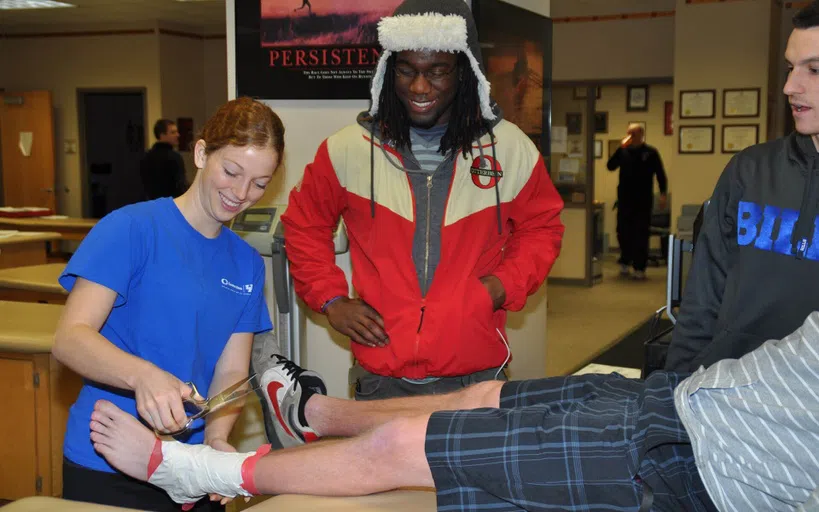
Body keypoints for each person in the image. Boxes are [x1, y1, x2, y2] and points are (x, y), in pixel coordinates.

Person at [89, 308, 819, 512]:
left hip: (686, 468)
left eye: (811, 70)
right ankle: (317, 415)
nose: (792, 85)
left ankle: (199, 470)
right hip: (673, 403)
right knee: (478, 398)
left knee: (408, 449)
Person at [281, 0, 564, 400]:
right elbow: (304, 224)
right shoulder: (348, 149)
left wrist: (500, 287)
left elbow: (543, 228)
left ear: (464, 73)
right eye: (407, 70)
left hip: (475, 377)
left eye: (437, 72)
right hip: (380, 378)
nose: (419, 87)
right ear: (388, 69)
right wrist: (331, 299)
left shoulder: (510, 149)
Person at [52, 97, 285, 511]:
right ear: (200, 153)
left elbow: (231, 370)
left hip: (189, 466)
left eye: (259, 183)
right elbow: (70, 339)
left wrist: (216, 437)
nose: (241, 193)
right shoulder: (131, 229)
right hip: (106, 462)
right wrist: (144, 377)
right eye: (231, 172)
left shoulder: (247, 263)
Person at [665, 1, 819, 373]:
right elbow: (703, 298)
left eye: (814, 70)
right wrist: (672, 390)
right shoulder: (749, 170)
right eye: (790, 68)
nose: (789, 86)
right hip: (724, 394)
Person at [606, 123, 668, 280]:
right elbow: (610, 166)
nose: (630, 136)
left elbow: (660, 174)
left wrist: (662, 194)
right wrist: (620, 148)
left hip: (643, 201)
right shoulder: (623, 151)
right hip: (624, 200)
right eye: (629, 133)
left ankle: (639, 267)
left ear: (641, 134)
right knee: (623, 232)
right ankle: (625, 262)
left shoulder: (651, 152)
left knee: (640, 234)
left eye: (633, 134)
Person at [141, 119, 188, 200]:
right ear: (162, 135)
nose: (178, 135)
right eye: (173, 132)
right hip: (171, 204)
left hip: (151, 205)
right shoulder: (174, 157)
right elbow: (180, 186)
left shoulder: (146, 156)